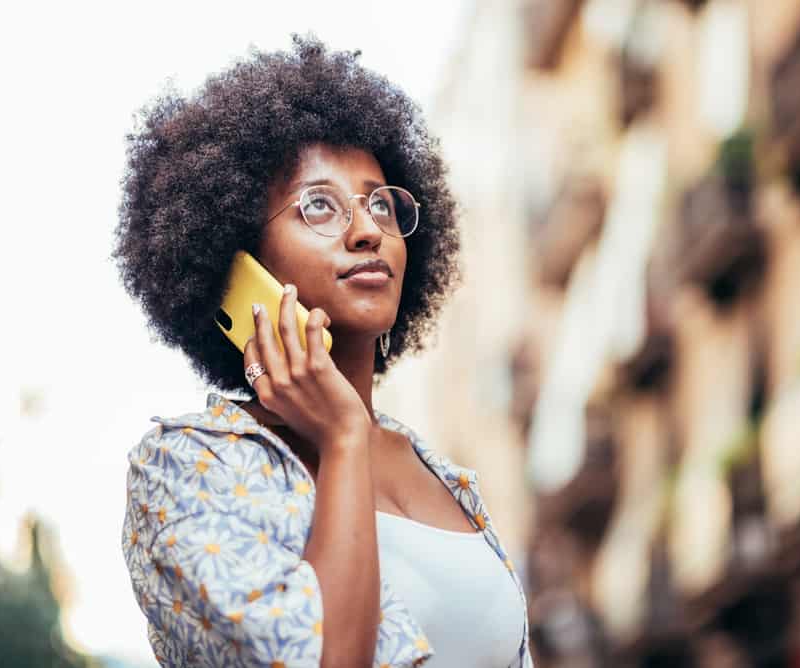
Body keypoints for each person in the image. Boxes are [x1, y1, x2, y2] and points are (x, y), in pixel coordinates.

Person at [112, 34, 532, 668]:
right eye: (319, 206)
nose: (367, 230)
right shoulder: (187, 470)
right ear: (235, 262)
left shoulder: (446, 478)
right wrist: (342, 439)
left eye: (381, 204)